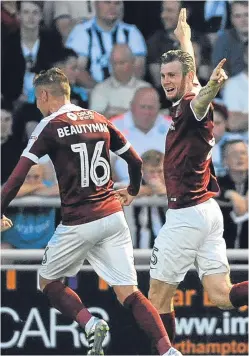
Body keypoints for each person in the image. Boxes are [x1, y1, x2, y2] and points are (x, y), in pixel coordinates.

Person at [1, 67, 182, 356]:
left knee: (47, 281)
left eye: (38, 98)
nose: (37, 105)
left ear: (45, 95)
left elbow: (15, 178)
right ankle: (168, 350)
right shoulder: (98, 119)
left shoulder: (49, 125)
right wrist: (133, 191)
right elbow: (135, 163)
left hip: (78, 221)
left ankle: (89, 323)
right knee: (130, 293)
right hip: (112, 216)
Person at [136, 9, 247, 350]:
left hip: (186, 216)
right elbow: (194, 79)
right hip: (208, 212)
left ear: (186, 77)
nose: (166, 80)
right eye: (164, 75)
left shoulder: (190, 105)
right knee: (223, 297)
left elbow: (201, 100)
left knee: (156, 297)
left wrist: (213, 85)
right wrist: (184, 36)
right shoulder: (188, 91)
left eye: (172, 76)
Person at [65, 0, 147, 88]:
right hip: (90, 93)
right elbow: (77, 71)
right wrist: (101, 92)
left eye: (117, 3)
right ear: (95, 5)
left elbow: (139, 69)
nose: (112, 7)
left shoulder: (132, 32)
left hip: (127, 92)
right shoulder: (81, 32)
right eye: (107, 2)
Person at [89, 44, 151, 118]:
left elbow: (150, 117)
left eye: (121, 63)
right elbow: (96, 119)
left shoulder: (146, 89)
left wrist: (114, 113)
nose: (117, 67)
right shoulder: (100, 89)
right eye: (114, 63)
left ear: (132, 62)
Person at [216, 140, 248, 249]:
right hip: (223, 254)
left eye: (243, 153)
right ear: (225, 161)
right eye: (234, 154)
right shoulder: (217, 182)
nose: (240, 157)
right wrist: (229, 194)